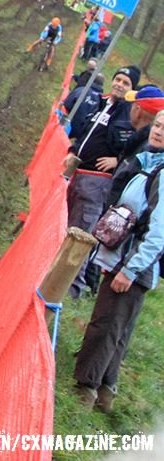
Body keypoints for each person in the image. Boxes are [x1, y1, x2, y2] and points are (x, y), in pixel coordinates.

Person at [72, 109, 164, 413]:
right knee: (118, 328)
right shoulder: (149, 161)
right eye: (159, 124)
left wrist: (130, 269)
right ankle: (105, 392)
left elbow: (158, 234)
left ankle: (85, 390)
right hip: (123, 260)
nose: (159, 130)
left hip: (132, 265)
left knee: (105, 325)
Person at [63, 66, 140, 298]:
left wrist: (117, 161)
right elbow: (86, 132)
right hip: (77, 172)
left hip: (97, 183)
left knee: (82, 233)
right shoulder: (101, 103)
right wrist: (72, 149)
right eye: (117, 79)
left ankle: (72, 287)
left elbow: (134, 147)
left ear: (131, 89)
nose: (119, 84)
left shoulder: (128, 114)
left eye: (125, 83)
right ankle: (56, 274)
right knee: (67, 227)